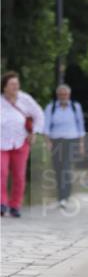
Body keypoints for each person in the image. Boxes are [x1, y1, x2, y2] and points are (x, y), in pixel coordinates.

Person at [0, 71, 44, 217]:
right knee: (2, 173)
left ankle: (15, 205)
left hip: (21, 142)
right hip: (1, 142)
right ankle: (2, 203)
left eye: (17, 84)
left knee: (19, 175)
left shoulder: (25, 99)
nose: (15, 86)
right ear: (4, 87)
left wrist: (35, 132)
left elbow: (39, 114)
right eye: (12, 84)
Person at [43, 83, 86, 208]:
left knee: (66, 167)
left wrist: (81, 143)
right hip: (56, 140)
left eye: (65, 94)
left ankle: (65, 196)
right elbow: (46, 126)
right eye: (61, 94)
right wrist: (47, 142)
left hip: (71, 140)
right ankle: (61, 196)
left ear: (69, 95)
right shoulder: (51, 108)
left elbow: (80, 125)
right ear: (57, 95)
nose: (63, 96)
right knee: (58, 168)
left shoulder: (75, 107)